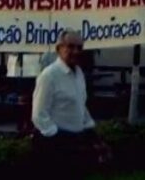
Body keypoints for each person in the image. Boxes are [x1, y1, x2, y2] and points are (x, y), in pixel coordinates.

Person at [31, 30, 110, 167]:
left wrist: (92, 133)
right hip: (53, 146)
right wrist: (55, 136)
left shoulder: (79, 73)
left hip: (75, 143)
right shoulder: (49, 76)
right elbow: (39, 114)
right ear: (59, 49)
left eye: (79, 48)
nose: (76, 51)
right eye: (70, 47)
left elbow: (81, 105)